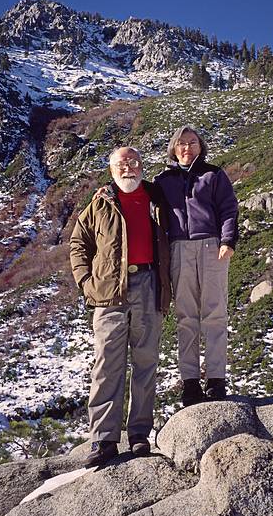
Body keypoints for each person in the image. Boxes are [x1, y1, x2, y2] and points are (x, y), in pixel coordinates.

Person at [70, 146, 170, 468]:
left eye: (133, 162)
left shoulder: (156, 199)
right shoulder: (100, 203)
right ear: (112, 170)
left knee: (145, 363)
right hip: (109, 294)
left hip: (149, 286)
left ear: (141, 165)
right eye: (121, 163)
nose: (128, 167)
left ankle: (139, 434)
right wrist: (86, 281)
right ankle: (104, 439)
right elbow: (77, 243)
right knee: (107, 365)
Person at [154, 125, 238, 407]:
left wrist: (228, 240)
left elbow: (228, 209)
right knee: (186, 317)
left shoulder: (213, 175)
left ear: (200, 147)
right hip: (179, 248)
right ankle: (190, 383)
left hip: (212, 247)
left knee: (215, 314)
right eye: (181, 143)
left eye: (192, 142)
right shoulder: (163, 180)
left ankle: (216, 380)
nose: (187, 148)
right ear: (173, 148)